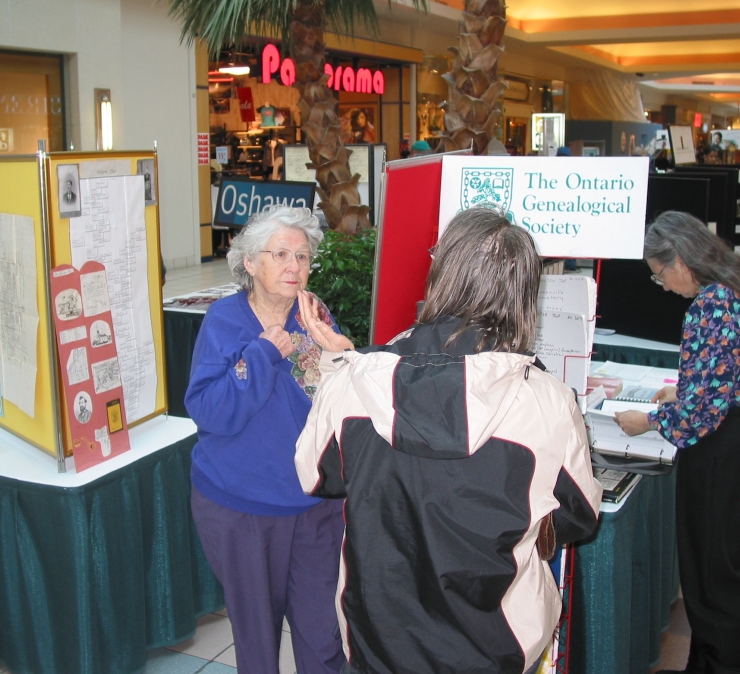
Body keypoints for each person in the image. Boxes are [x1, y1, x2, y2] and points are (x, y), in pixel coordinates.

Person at [294, 208, 602, 674]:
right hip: (492, 644)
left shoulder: (357, 380)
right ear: (523, 296)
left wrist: (342, 365)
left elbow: (315, 476)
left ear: (440, 274)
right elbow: (580, 518)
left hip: (378, 642)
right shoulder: (546, 401)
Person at [615, 211, 740, 674]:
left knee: (711, 583)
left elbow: (701, 414)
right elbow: (739, 374)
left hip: (726, 455)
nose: (665, 286)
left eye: (661, 275)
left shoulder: (712, 306)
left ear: (681, 258)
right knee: (723, 573)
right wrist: (685, 389)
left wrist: (647, 420)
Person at [184, 206, 346, 674]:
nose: (295, 265)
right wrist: (262, 354)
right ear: (250, 263)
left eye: (303, 255)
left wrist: (341, 357)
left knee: (323, 635)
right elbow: (211, 412)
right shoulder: (225, 321)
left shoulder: (314, 314)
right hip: (242, 510)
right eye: (281, 254)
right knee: (257, 641)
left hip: (313, 506)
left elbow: (331, 401)